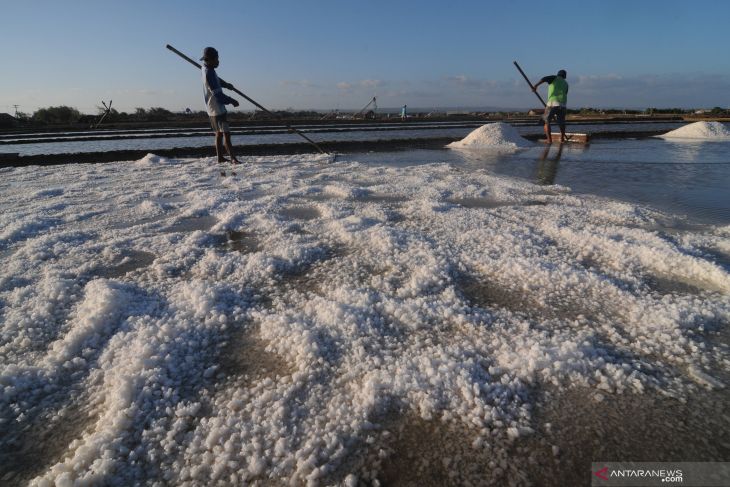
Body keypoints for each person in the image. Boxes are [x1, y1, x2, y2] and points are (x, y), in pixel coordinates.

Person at [200, 46, 240, 163]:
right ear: (210, 59)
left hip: (210, 109)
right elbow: (218, 95)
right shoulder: (209, 73)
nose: (218, 61)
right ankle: (233, 159)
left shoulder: (205, 69)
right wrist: (232, 101)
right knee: (226, 134)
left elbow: (217, 80)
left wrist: (226, 84)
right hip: (218, 109)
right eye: (216, 59)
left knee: (218, 134)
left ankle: (220, 158)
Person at [532, 69, 568, 144]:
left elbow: (544, 78)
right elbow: (565, 93)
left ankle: (549, 140)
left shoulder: (555, 77)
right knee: (561, 123)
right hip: (563, 105)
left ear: (558, 74)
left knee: (546, 122)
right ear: (564, 76)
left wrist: (536, 85)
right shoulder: (566, 83)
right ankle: (562, 139)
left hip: (552, 103)